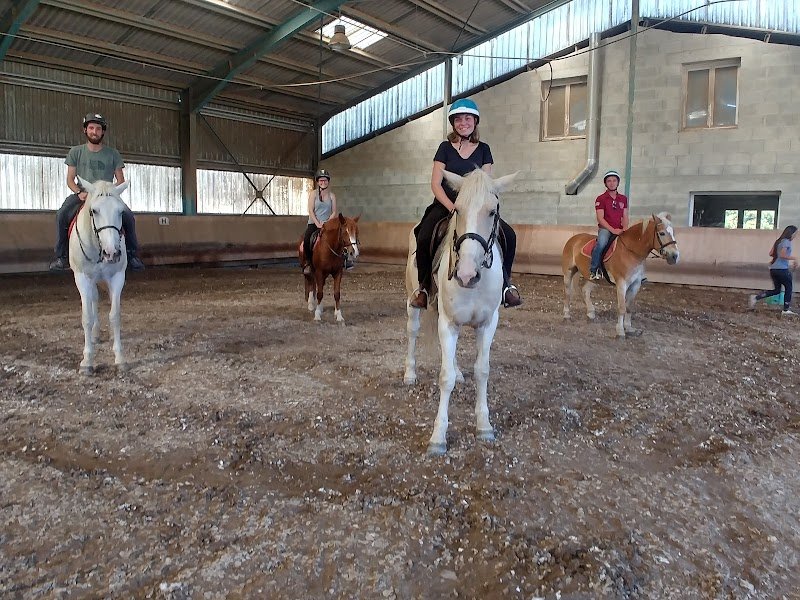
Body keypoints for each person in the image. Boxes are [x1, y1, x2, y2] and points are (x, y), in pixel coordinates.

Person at [409, 98, 521, 309]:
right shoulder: (444, 148)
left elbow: (486, 185)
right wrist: (453, 209)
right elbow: (435, 183)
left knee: (510, 236)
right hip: (447, 205)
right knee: (423, 236)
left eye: (468, 118)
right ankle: (423, 288)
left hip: (475, 209)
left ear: (475, 121)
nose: (463, 123)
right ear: (453, 123)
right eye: (458, 119)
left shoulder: (484, 149)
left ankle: (506, 285)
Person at [49, 112, 145, 272]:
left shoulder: (113, 154)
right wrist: (79, 192)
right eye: (91, 128)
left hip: (106, 195)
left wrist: (110, 193)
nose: (95, 131)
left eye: (98, 128)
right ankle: (62, 256)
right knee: (62, 214)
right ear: (85, 130)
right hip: (84, 194)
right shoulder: (76, 152)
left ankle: (132, 254)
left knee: (128, 216)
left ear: (103, 132)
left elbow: (120, 180)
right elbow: (70, 179)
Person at [748, 225, 798, 315]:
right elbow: (782, 255)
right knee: (789, 288)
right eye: (795, 233)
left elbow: (771, 253)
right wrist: (794, 258)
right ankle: (786, 309)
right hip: (782, 269)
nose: (795, 235)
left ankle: (756, 297)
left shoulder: (778, 241)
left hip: (773, 269)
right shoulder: (787, 242)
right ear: (791, 233)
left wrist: (778, 257)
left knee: (776, 290)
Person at [589, 170, 629, 280]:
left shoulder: (623, 199)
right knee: (601, 244)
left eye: (614, 180)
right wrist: (613, 230)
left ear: (618, 182)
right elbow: (600, 218)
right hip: (605, 229)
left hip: (620, 228)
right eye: (609, 181)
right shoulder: (601, 199)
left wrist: (625, 227)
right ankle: (594, 269)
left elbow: (625, 216)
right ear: (605, 183)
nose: (612, 183)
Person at [302, 169, 338, 275]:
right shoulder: (313, 194)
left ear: (328, 182)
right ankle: (308, 262)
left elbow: (334, 212)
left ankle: (344, 260)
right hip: (314, 223)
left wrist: (327, 222)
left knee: (339, 237)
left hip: (327, 224)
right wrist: (317, 223)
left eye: (325, 180)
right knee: (307, 239)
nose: (323, 182)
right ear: (318, 182)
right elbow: (310, 210)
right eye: (321, 181)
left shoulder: (332, 196)